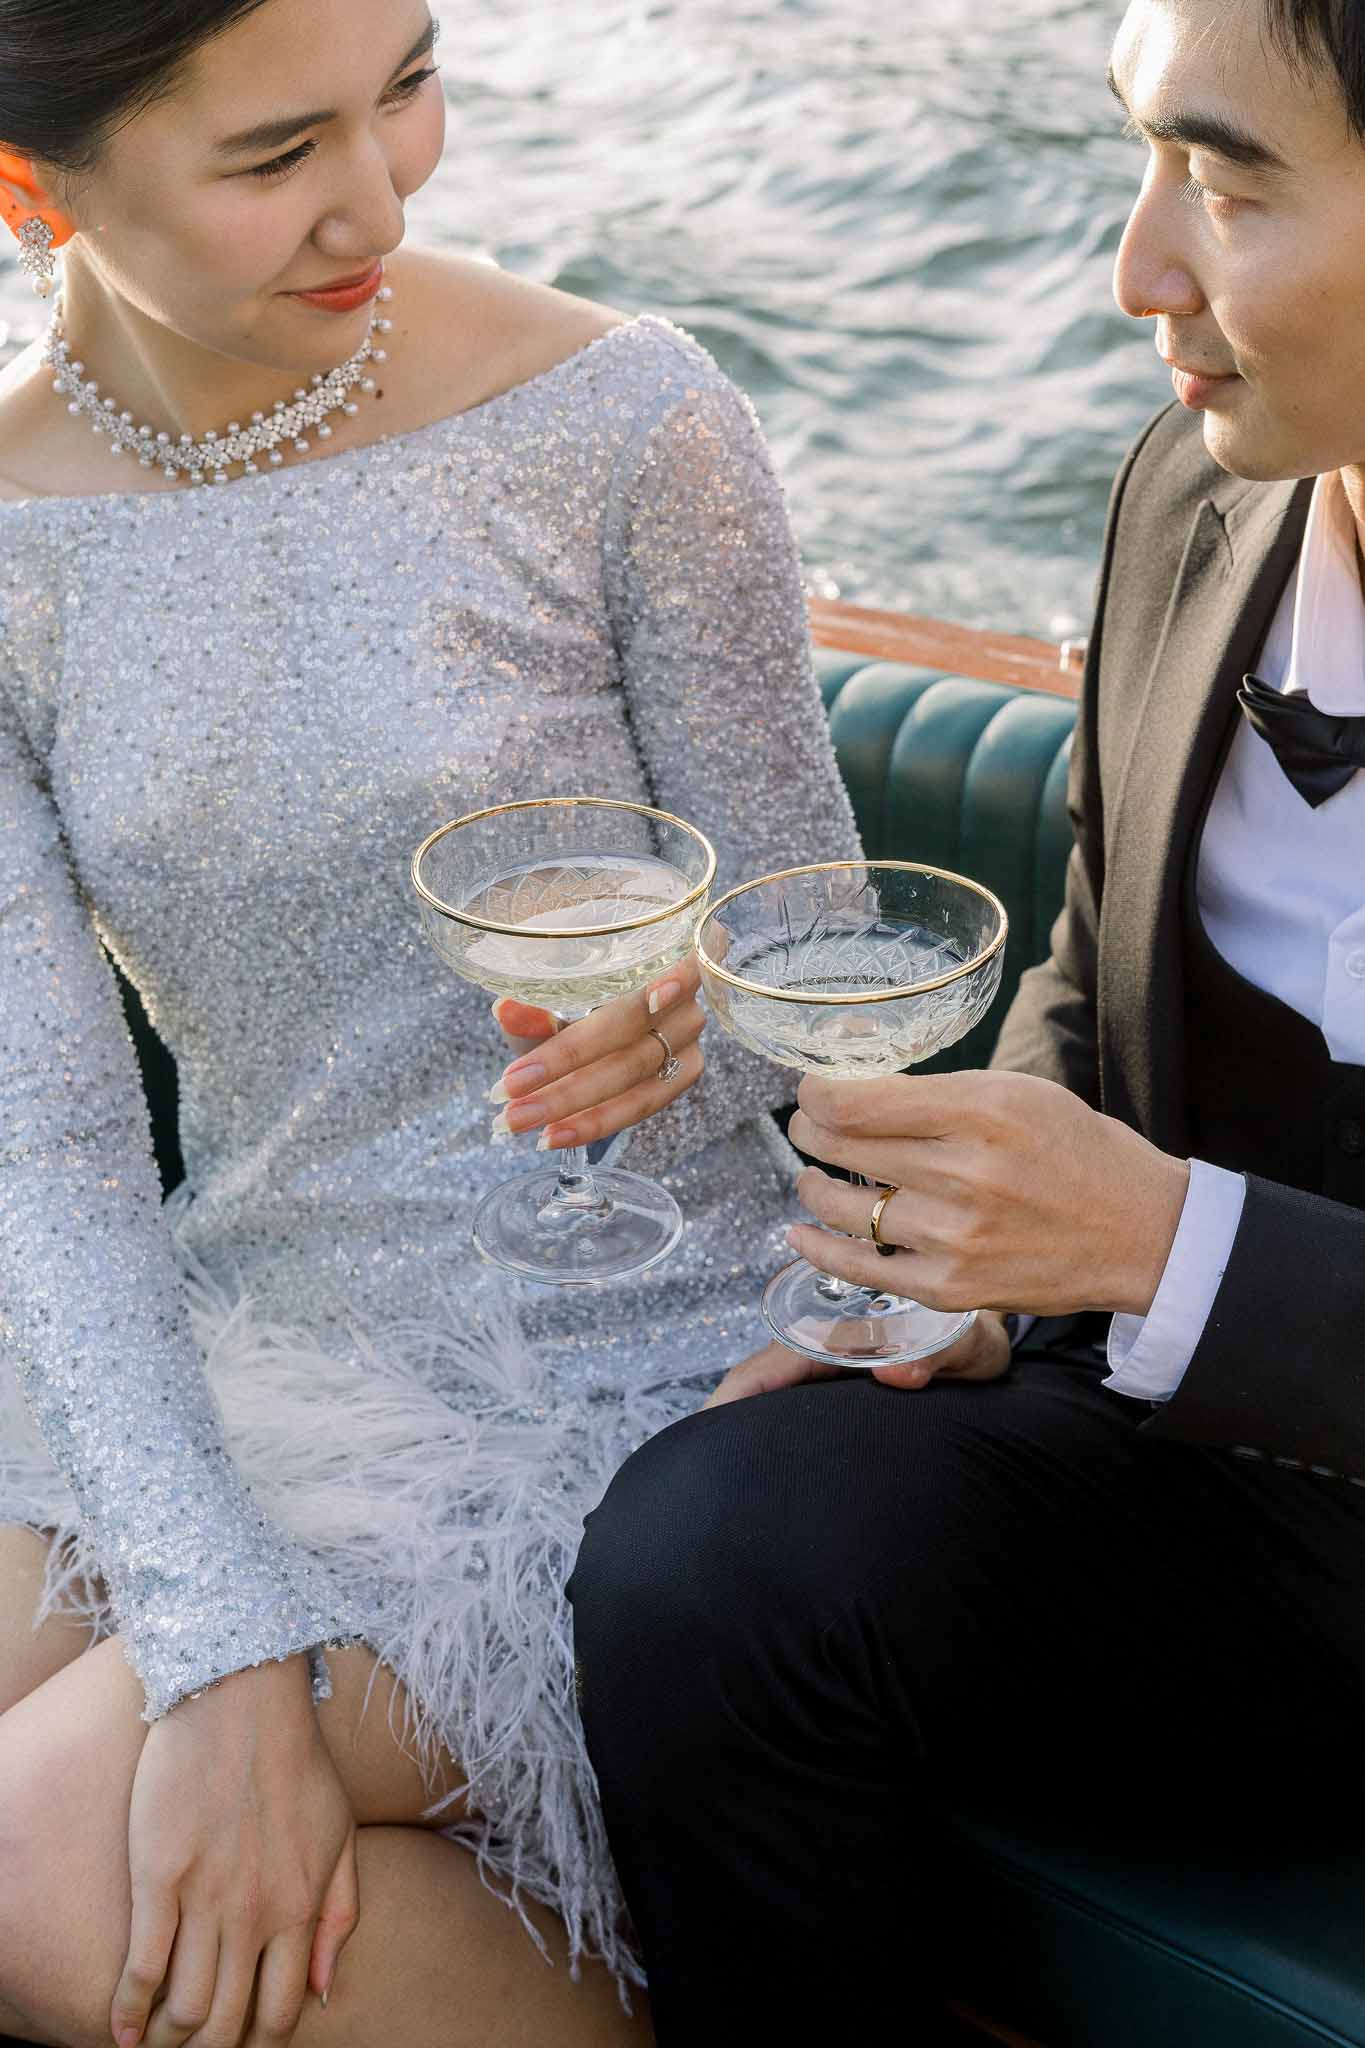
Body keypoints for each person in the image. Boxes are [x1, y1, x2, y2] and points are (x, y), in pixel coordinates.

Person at [0, 1, 863, 2042]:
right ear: (30, 184)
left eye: (407, 83)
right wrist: (219, 1636)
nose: (379, 191)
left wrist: (706, 1012)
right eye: (273, 152)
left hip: (623, 1353)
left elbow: (821, 971)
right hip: (244, 1325)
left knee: (39, 1864)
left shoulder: (623, 416)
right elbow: (46, 1137)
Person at [568, 0, 1365, 2038]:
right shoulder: (1193, 497)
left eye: (1218, 179)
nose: (1133, 274)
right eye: (1136, 163)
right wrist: (972, 1287)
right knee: (694, 1552)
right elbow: (1088, 974)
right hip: (1215, 1497)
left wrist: (1160, 1245)